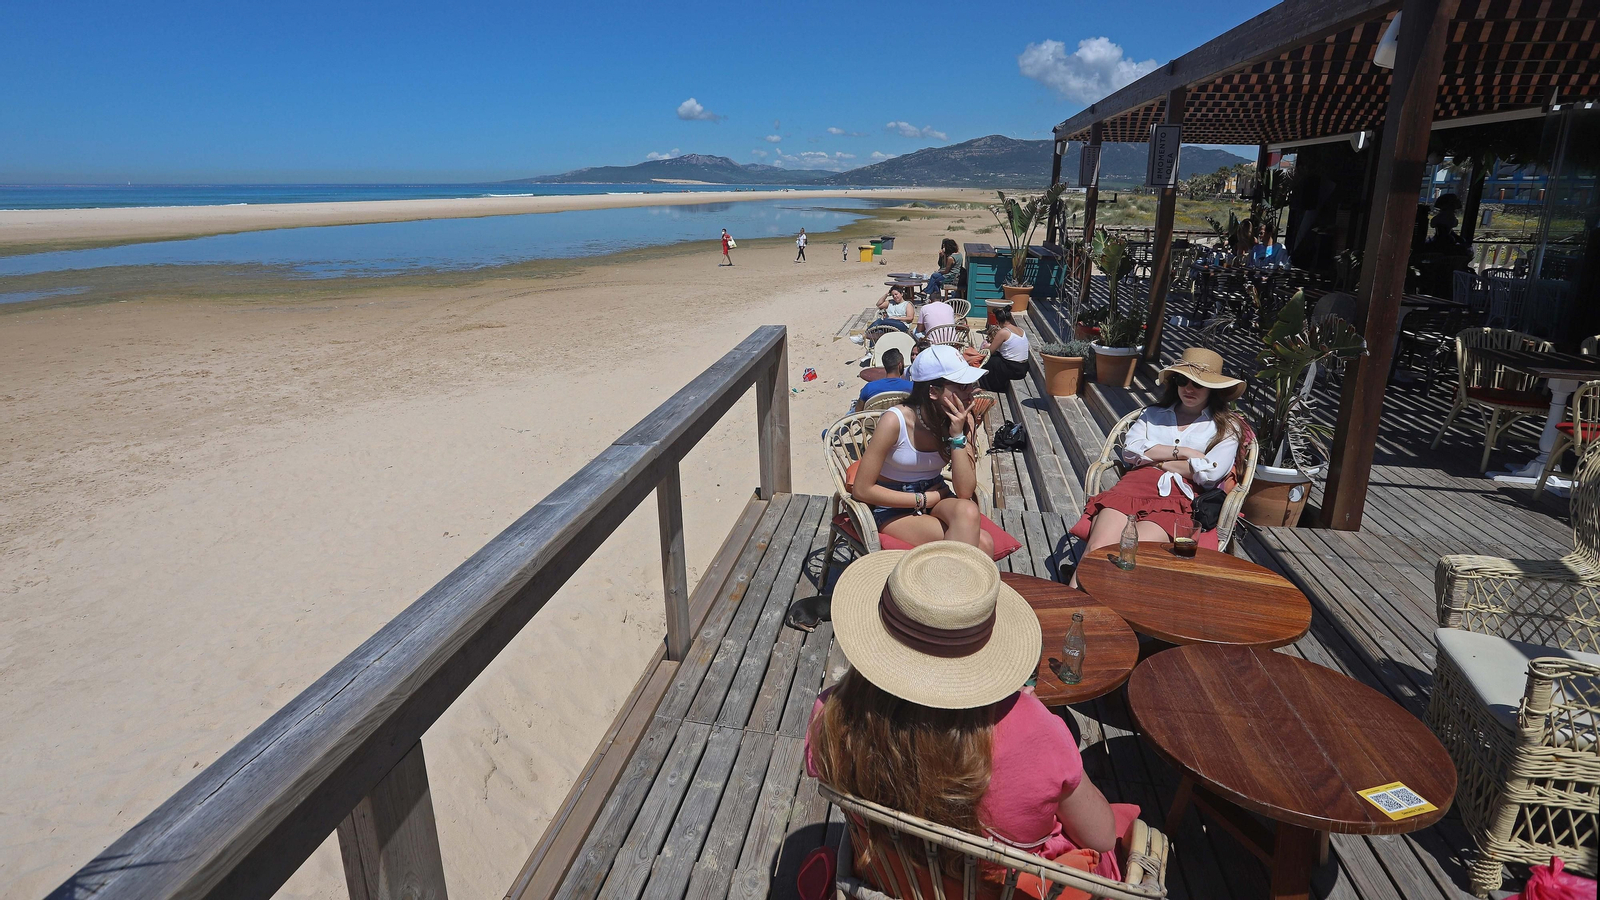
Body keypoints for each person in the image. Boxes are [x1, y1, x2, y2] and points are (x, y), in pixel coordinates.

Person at [806, 541, 1131, 888]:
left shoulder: (832, 714)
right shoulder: (1038, 732)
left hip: (894, 880)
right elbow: (1102, 838)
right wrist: (1021, 712)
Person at [1070, 347, 1245, 585]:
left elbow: (1209, 473)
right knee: (1097, 550)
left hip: (1176, 496)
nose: (1189, 389)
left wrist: (1157, 459)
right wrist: (1183, 453)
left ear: (1213, 389)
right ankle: (1068, 613)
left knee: (1130, 555)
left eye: (1198, 384)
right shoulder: (1153, 414)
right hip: (1132, 487)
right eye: (1183, 380)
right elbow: (1131, 450)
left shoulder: (1227, 427)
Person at [851, 345, 993, 555]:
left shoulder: (962, 418)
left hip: (936, 493)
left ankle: (946, 584)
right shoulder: (895, 421)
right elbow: (862, 490)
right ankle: (944, 585)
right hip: (893, 506)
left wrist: (957, 437)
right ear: (933, 391)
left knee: (969, 509)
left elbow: (964, 491)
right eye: (962, 386)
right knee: (984, 544)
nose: (970, 393)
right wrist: (924, 499)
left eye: (970, 385)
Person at [972, 306, 1030, 392]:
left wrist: (987, 346)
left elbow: (990, 351)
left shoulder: (1003, 332)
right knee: (996, 358)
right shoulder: (1021, 330)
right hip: (1023, 367)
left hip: (1013, 369)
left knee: (989, 360)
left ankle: (990, 386)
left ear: (998, 321)